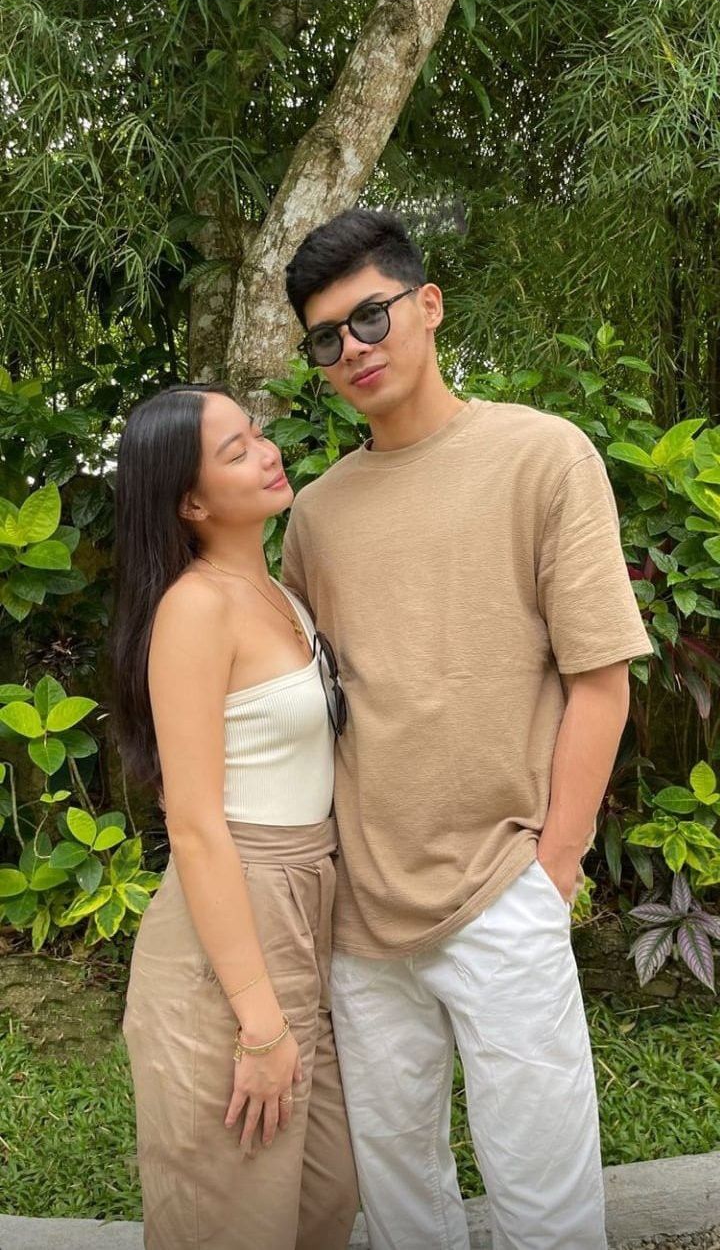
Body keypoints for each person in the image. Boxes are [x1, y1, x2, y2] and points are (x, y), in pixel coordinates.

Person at [281, 208, 654, 1250]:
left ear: (428, 306)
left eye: (370, 317)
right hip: (363, 916)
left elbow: (601, 679)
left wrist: (555, 870)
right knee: (404, 1210)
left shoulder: (543, 456)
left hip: (504, 892)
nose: (352, 348)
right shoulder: (314, 514)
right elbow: (317, 706)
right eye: (326, 337)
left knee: (547, 1206)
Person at [111, 384, 358, 1250]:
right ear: (189, 500)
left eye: (257, 433)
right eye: (235, 449)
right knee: (232, 1208)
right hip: (234, 913)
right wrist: (259, 1019)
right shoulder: (194, 607)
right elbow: (195, 826)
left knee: (324, 1193)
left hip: (311, 897)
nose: (266, 450)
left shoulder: (280, 594)